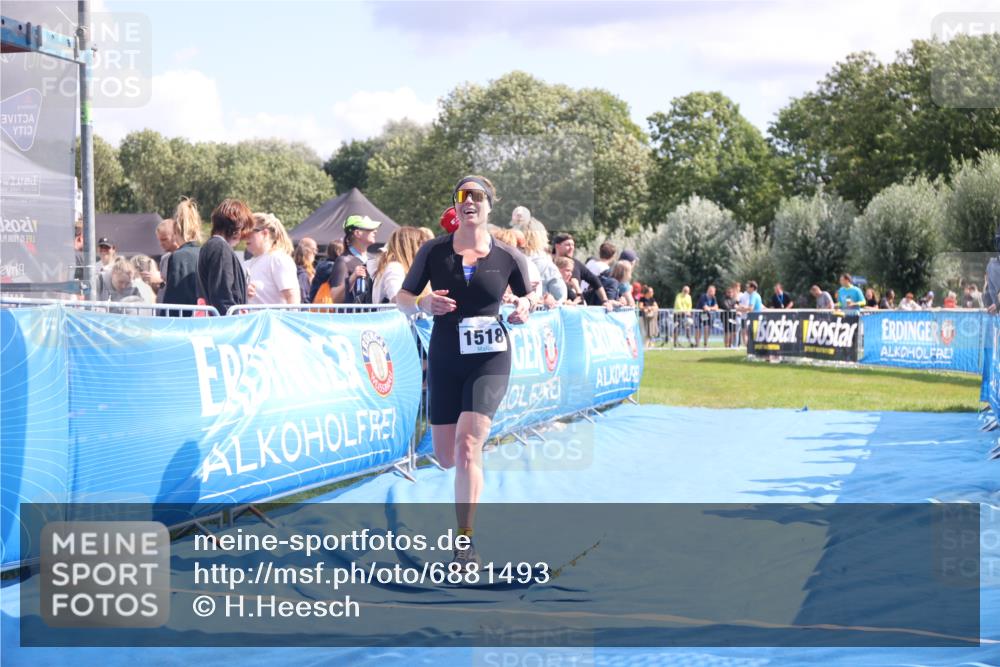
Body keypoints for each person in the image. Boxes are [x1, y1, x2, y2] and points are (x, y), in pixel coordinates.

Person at [397, 175, 533, 570]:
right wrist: (424, 304)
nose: (469, 202)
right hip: (445, 355)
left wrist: (525, 306)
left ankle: (465, 542)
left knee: (468, 444)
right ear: (455, 207)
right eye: (462, 196)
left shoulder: (508, 256)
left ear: (490, 205)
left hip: (490, 357)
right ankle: (467, 481)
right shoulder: (433, 252)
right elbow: (403, 297)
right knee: (444, 455)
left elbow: (530, 293)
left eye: (477, 196)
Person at [196, 199, 255, 315]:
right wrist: (234, 319)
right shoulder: (221, 249)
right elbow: (222, 295)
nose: (243, 236)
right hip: (225, 324)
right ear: (238, 227)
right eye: (243, 230)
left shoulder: (209, 246)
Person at [246, 213, 299, 305]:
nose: (245, 236)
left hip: (275, 319)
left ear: (265, 233)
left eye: (249, 232)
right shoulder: (247, 263)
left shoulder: (278, 259)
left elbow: (292, 298)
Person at [328, 215, 381, 304]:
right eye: (369, 229)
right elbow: (334, 298)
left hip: (370, 316)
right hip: (352, 317)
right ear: (357, 233)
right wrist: (353, 277)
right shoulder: (343, 261)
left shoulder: (372, 259)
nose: (375, 231)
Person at [162, 198, 203, 313]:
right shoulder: (206, 253)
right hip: (205, 320)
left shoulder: (178, 257)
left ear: (176, 229)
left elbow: (174, 298)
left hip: (184, 323)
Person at [371, 226, 426, 304]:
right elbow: (397, 299)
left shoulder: (396, 267)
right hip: (395, 316)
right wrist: (422, 302)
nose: (423, 248)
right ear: (411, 246)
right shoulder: (395, 268)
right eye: (421, 244)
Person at [552, 233, 609, 306]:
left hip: (576, 306)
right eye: (568, 245)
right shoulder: (549, 264)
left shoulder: (576, 264)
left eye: (573, 245)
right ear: (557, 246)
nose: (571, 247)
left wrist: (605, 301)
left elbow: (595, 281)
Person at [309, 238, 344, 303]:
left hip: (316, 300)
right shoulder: (332, 268)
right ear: (338, 252)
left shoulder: (321, 265)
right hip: (326, 303)